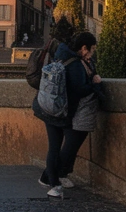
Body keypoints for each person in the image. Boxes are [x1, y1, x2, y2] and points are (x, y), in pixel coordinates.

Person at [33, 31, 101, 199]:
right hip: (61, 111)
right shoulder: (76, 64)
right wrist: (95, 84)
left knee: (54, 148)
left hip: (46, 106)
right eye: (91, 49)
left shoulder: (61, 54)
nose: (92, 53)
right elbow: (79, 91)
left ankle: (49, 179)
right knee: (59, 148)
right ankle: (54, 185)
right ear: (84, 48)